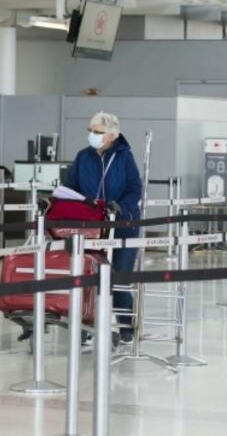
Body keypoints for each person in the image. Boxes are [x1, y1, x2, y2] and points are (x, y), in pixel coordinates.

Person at [63, 111, 142, 343]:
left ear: (111, 135)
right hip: (90, 228)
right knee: (86, 279)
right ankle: (86, 327)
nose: (92, 135)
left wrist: (121, 207)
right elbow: (70, 187)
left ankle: (126, 326)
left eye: (97, 132)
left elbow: (135, 188)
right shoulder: (83, 157)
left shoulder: (124, 157)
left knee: (117, 279)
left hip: (122, 228)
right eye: (90, 130)